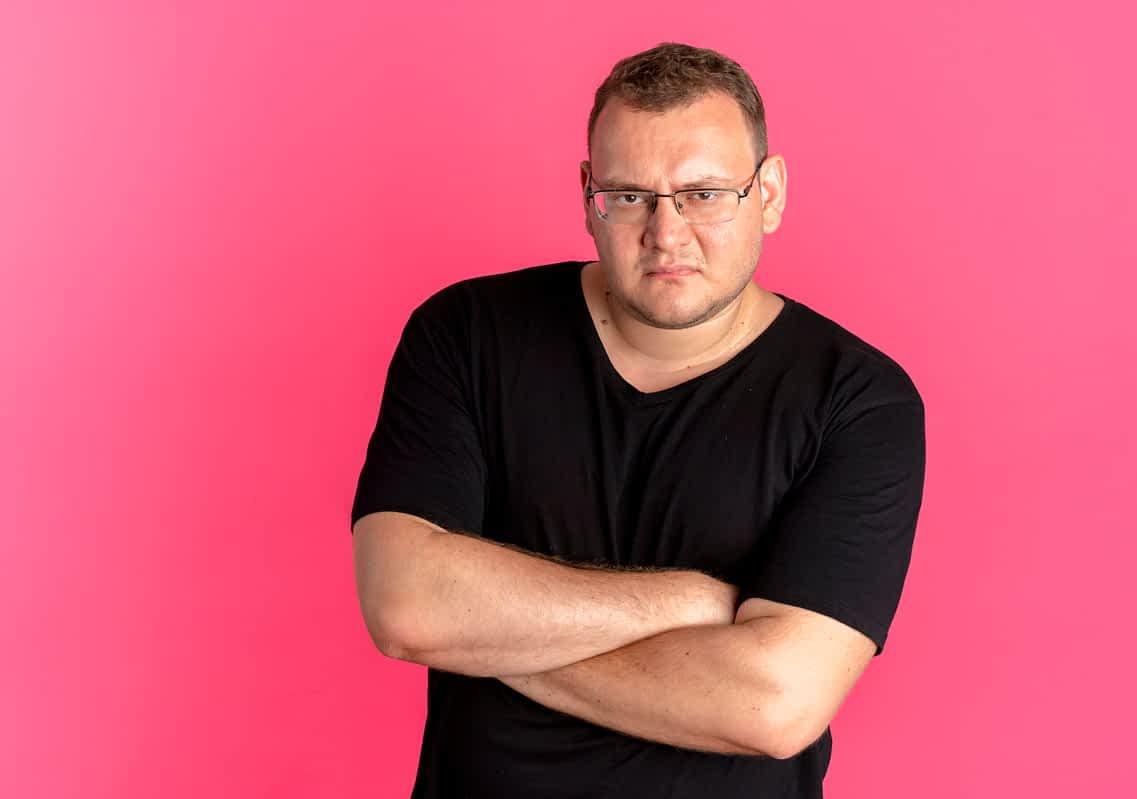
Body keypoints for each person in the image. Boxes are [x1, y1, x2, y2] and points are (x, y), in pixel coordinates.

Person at [350, 42, 926, 799]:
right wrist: (692, 601)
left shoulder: (858, 400)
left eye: (704, 194)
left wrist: (488, 636)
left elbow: (775, 703)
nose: (666, 233)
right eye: (629, 196)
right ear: (587, 193)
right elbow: (407, 606)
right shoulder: (466, 334)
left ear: (769, 192)